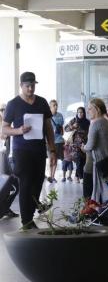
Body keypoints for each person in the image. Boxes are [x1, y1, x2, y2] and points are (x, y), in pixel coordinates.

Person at [1, 72, 57, 229]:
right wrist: (19, 131)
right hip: (22, 151)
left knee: (38, 183)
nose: (31, 88)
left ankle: (29, 217)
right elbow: (4, 129)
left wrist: (52, 150)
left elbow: (48, 128)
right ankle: (27, 221)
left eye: (33, 85)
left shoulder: (42, 102)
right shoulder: (13, 104)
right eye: (27, 86)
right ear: (21, 86)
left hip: (39, 150)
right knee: (26, 184)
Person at [82, 98, 108, 209]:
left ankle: (96, 209)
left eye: (90, 109)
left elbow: (90, 145)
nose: (88, 111)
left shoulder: (96, 124)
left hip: (101, 161)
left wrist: (83, 147)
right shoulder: (107, 122)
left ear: (97, 109)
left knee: (102, 188)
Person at [0, 103, 18, 218]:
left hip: (8, 159)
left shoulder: (9, 125)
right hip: (2, 159)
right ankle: (4, 209)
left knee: (14, 186)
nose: (3, 112)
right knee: (10, 185)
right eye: (1, 109)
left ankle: (5, 209)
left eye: (5, 110)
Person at [64, 107, 90, 184]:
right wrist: (72, 127)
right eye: (78, 112)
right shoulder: (74, 120)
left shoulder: (87, 122)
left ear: (84, 113)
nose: (80, 114)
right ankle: (81, 177)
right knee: (78, 160)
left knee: (83, 161)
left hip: (84, 144)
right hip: (75, 145)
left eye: (81, 112)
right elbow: (66, 129)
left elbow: (90, 132)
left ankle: (76, 176)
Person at [48, 100, 65, 183]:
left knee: (55, 159)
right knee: (51, 159)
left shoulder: (60, 116)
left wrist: (62, 135)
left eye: (56, 105)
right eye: (54, 105)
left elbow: (62, 128)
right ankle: (50, 175)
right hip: (49, 141)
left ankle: (52, 176)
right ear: (50, 107)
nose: (56, 107)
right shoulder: (47, 116)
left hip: (58, 140)